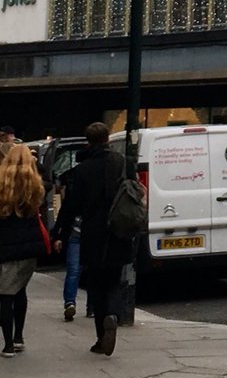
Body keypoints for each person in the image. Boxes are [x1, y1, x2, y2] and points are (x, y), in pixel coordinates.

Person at [52, 122, 131, 358]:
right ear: (107, 138)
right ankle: (113, 314)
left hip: (93, 232)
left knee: (96, 284)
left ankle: (101, 337)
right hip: (119, 228)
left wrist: (60, 232)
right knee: (114, 279)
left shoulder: (83, 170)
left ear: (88, 141)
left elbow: (71, 206)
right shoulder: (122, 163)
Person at [0, 143, 45, 357]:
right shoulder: (35, 185)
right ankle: (18, 337)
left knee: (4, 294)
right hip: (28, 247)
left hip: (5, 246)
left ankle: (8, 344)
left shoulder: (2, 185)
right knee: (20, 291)